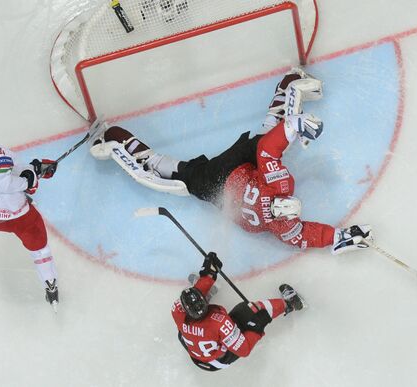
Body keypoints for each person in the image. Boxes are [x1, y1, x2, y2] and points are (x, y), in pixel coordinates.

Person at [90, 68, 373, 254]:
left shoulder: (280, 191)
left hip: (226, 175)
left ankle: (288, 87)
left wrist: (294, 127)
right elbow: (305, 234)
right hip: (225, 181)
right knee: (179, 178)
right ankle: (120, 141)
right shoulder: (283, 225)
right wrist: (337, 237)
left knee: (183, 177)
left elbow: (268, 153)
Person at [0, 118, 60, 309]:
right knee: (40, 248)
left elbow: (10, 168)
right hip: (17, 216)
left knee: (17, 201)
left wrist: (33, 169)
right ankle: (51, 286)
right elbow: (4, 184)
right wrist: (28, 181)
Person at [172, 252, 305, 371]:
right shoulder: (220, 323)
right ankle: (292, 303)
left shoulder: (177, 310)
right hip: (218, 360)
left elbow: (194, 299)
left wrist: (208, 275)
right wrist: (257, 327)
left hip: (196, 354)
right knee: (251, 309)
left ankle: (204, 294)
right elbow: (244, 349)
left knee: (181, 333)